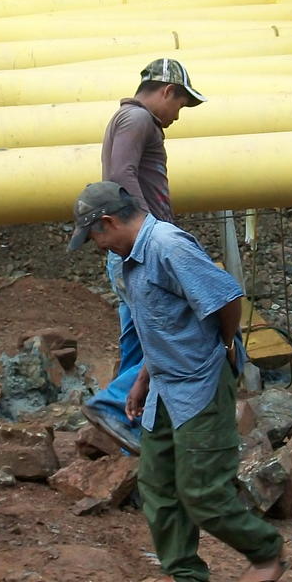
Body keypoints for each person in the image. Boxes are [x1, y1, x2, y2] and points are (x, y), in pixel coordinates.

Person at [68, 181, 287, 582]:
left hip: (200, 382)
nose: (98, 246)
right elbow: (162, 325)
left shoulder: (167, 246)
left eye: (95, 236)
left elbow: (226, 297)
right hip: (164, 384)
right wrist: (142, 379)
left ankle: (266, 552)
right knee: (157, 481)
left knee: (201, 489)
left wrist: (225, 345)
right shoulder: (130, 259)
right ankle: (185, 577)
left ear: (108, 222)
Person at [80, 58, 205, 454]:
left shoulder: (129, 120)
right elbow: (121, 177)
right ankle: (113, 405)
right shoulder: (138, 120)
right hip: (139, 248)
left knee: (137, 339)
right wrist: (149, 233)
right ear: (167, 91)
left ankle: (127, 428)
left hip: (129, 249)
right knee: (170, 331)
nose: (178, 116)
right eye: (180, 104)